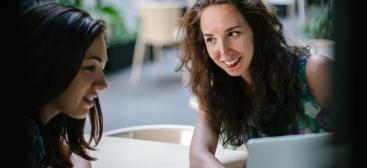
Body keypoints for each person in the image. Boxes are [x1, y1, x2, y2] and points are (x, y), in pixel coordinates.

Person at [176, 0, 333, 167]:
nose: (223, 51)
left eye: (233, 33)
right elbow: (198, 156)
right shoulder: (218, 90)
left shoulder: (314, 71)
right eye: (211, 39)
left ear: (256, 30)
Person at [20, 2, 108, 168]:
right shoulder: (26, 139)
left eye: (102, 68)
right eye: (90, 67)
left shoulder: (46, 130)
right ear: (49, 64)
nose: (104, 84)